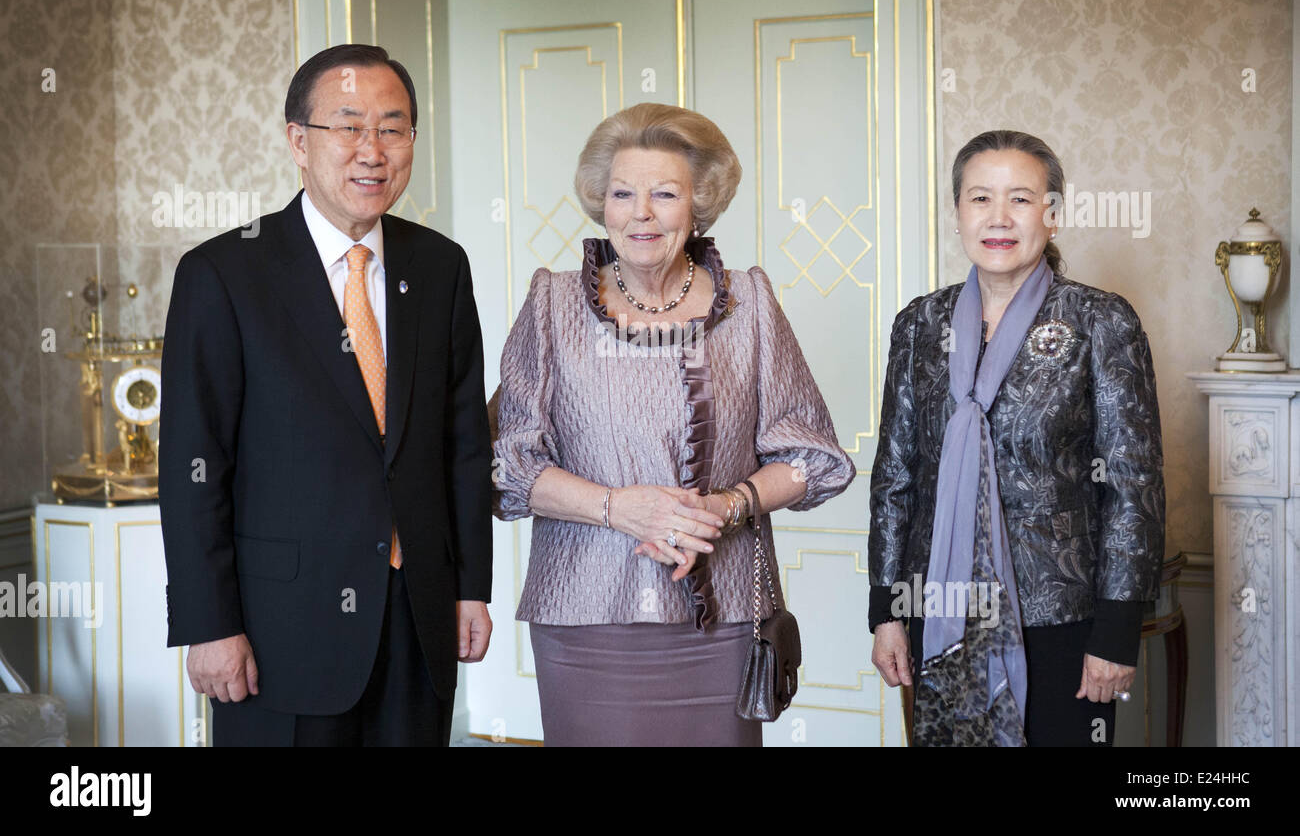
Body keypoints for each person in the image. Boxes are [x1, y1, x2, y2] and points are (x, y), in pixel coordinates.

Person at [159, 44, 493, 746]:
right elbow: (193, 466)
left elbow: (463, 443)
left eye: (393, 128)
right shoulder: (223, 272)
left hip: (416, 618)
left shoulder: (441, 266)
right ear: (298, 142)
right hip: (279, 631)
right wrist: (209, 624)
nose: (372, 150)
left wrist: (469, 586)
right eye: (348, 126)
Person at [492, 103, 854, 747]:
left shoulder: (751, 303)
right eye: (624, 193)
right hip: (584, 615)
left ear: (699, 205)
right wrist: (618, 509)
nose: (642, 212)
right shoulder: (551, 304)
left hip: (721, 623)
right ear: (602, 202)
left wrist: (725, 506)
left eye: (665, 193)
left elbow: (813, 458)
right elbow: (509, 465)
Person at [868, 130, 1166, 747]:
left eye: (1021, 199)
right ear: (957, 213)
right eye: (980, 198)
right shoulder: (920, 325)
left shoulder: (1099, 321)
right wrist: (888, 612)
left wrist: (1115, 632)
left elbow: (1134, 487)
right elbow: (896, 475)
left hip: (1061, 616)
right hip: (941, 605)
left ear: (1052, 216)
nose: (998, 218)